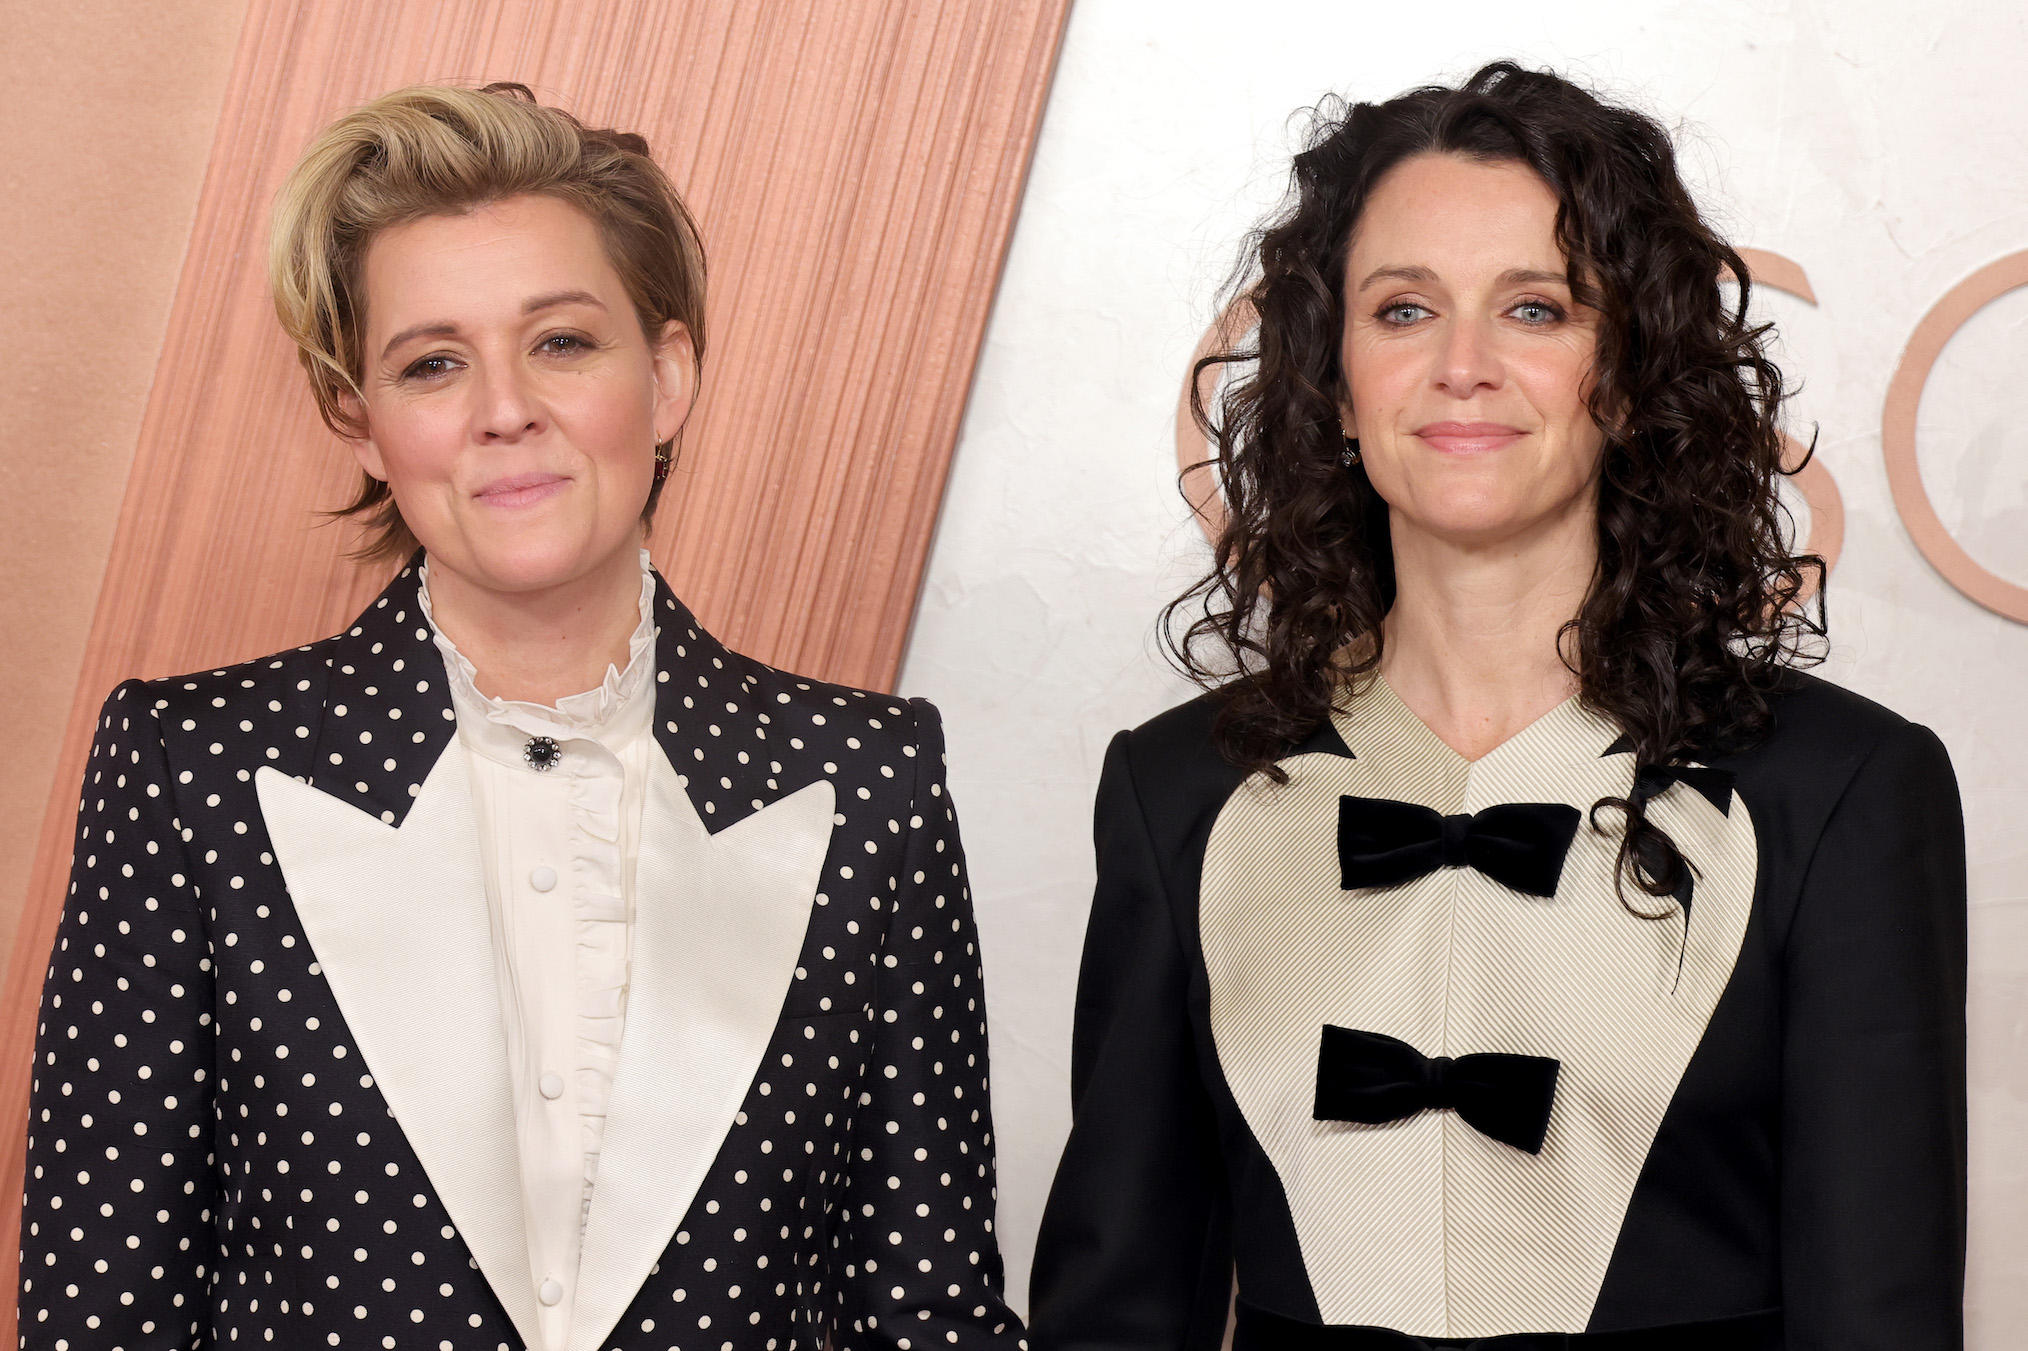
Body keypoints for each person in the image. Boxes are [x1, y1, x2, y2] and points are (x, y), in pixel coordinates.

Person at [21, 83, 1024, 1351]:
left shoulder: (870, 780)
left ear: (664, 376)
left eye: (560, 342)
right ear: (363, 421)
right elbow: (101, 1305)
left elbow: (930, 1309)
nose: (505, 407)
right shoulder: (195, 768)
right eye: (432, 362)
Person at [1027, 62, 1964, 1351]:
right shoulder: (1178, 790)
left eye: (1536, 307)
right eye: (1404, 310)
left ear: (1626, 375)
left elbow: (1882, 1319)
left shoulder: (1844, 790)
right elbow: (1115, 1314)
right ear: (1337, 385)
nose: (1464, 367)